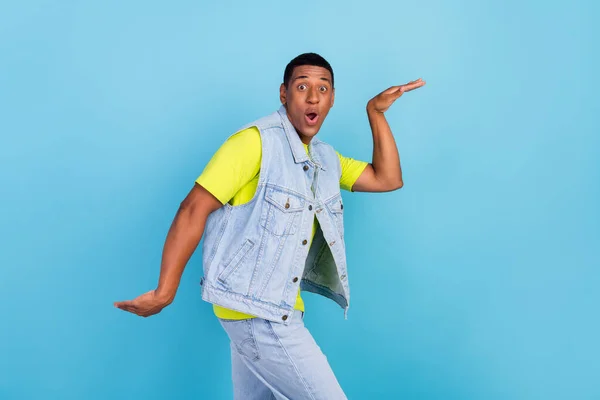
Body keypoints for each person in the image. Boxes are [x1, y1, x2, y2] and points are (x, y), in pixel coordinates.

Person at [115, 52, 425, 399]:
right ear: (283, 93)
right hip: (258, 313)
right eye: (302, 86)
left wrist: (376, 113)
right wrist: (164, 291)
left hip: (276, 308)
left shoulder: (324, 159)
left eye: (322, 88)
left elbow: (387, 178)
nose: (312, 97)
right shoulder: (254, 142)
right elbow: (193, 208)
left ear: (332, 99)